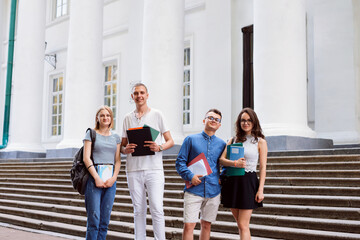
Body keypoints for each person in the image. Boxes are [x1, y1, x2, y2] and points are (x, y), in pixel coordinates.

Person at [120, 83, 174, 240]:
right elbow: (122, 144)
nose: (139, 96)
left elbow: (170, 140)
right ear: (132, 97)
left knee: (157, 208)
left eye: (142, 92)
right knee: (138, 210)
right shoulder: (127, 118)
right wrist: (125, 149)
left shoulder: (157, 114)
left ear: (147, 95)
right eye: (136, 93)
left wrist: (159, 147)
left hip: (154, 169)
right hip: (133, 170)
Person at [176, 109, 226, 240]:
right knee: (189, 225)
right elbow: (180, 162)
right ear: (204, 120)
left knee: (206, 225)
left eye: (217, 119)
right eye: (210, 117)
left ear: (219, 125)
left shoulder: (222, 144)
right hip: (193, 190)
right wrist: (190, 176)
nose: (213, 120)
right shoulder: (190, 139)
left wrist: (221, 178)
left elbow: (224, 165)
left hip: (213, 191)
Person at [219, 107, 267, 240]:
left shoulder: (260, 141)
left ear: (254, 122)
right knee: (240, 225)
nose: (245, 123)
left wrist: (261, 189)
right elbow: (222, 160)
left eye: (248, 120)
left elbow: (263, 167)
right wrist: (235, 163)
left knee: (243, 224)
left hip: (248, 181)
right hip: (232, 181)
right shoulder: (233, 139)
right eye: (242, 120)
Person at [83, 105, 121, 240]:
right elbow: (86, 158)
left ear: (111, 118)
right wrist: (96, 177)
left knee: (104, 221)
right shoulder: (91, 134)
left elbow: (117, 161)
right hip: (94, 179)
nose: (105, 118)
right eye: (102, 115)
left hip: (110, 180)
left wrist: (114, 178)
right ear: (97, 118)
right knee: (94, 220)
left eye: (108, 115)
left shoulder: (116, 138)